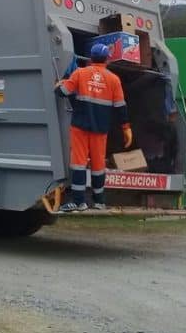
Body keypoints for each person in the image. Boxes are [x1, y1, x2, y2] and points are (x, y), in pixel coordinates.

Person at [55, 43, 133, 212]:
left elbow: (63, 92)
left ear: (90, 58)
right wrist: (126, 128)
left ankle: (78, 202)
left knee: (78, 164)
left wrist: (58, 84)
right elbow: (121, 106)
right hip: (100, 129)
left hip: (80, 127)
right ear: (107, 59)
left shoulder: (80, 73)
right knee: (98, 165)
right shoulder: (114, 79)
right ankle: (99, 201)